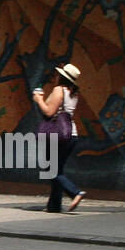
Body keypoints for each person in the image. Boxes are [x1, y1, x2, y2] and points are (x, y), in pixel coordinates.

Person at [33, 62, 86, 213]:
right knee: (57, 170)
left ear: (62, 77)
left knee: (49, 169)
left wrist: (39, 100)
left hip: (58, 136)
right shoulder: (73, 93)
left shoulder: (58, 90)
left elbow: (49, 112)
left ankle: (75, 192)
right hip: (71, 135)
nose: (56, 77)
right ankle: (54, 206)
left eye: (59, 75)